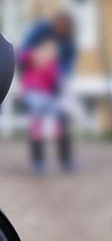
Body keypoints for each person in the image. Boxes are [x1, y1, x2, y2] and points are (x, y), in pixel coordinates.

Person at [21, 11, 77, 174]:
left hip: (49, 95)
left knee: (60, 121)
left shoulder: (54, 65)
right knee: (36, 124)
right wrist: (35, 57)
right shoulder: (31, 56)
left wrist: (55, 74)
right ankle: (38, 162)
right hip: (34, 94)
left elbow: (58, 79)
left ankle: (66, 160)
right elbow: (23, 57)